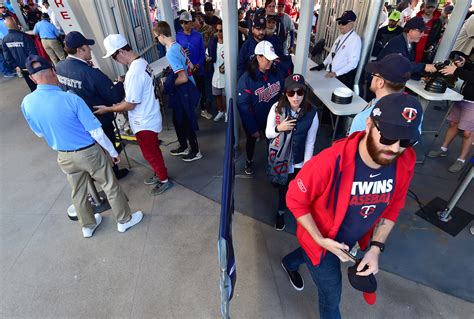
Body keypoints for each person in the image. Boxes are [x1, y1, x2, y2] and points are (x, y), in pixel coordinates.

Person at [281, 93, 422, 318]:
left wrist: (376, 247)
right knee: (331, 296)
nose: (395, 148)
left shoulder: (405, 161)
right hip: (321, 239)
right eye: (387, 137)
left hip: (349, 240)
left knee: (306, 255)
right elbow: (295, 200)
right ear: (369, 124)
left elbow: (394, 206)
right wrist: (319, 239)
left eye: (406, 141)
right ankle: (299, 256)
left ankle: (289, 261)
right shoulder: (328, 162)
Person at [21, 55, 143, 238]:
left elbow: (39, 133)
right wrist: (112, 151)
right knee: (110, 185)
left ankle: (87, 226)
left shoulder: (27, 103)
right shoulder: (71, 99)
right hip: (88, 153)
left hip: (63, 155)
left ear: (31, 78)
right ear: (53, 71)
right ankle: (124, 221)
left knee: (78, 191)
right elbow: (96, 132)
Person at [94, 34, 173, 195]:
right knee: (152, 151)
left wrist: (108, 109)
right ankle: (160, 173)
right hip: (149, 115)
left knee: (150, 153)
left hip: (143, 121)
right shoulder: (141, 63)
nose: (116, 60)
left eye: (115, 56)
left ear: (121, 51)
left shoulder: (134, 72)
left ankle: (164, 179)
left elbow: (130, 104)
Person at [55, 31, 129, 180]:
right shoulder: (90, 73)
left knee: (92, 147)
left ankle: (95, 174)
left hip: (78, 121)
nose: (90, 49)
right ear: (79, 50)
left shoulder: (60, 66)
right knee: (107, 145)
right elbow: (114, 96)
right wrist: (121, 82)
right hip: (99, 118)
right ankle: (112, 173)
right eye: (87, 47)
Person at [265, 74, 318, 231]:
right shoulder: (276, 108)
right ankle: (282, 207)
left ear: (305, 93)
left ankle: (282, 212)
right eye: (291, 93)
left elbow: (310, 142)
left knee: (292, 188)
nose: (296, 97)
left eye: (300, 92)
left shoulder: (312, 113)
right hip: (279, 158)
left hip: (298, 161)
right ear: (285, 93)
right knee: (280, 185)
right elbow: (268, 133)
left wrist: (306, 167)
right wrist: (278, 128)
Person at [154, 21, 203, 162]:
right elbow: (191, 66)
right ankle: (184, 146)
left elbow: (183, 78)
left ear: (162, 35)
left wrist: (167, 84)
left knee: (186, 121)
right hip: (186, 88)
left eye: (156, 37)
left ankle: (195, 150)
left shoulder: (170, 52)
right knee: (178, 120)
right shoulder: (177, 46)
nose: (157, 40)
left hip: (184, 90)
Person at [237, 40, 284, 175]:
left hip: (272, 118)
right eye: (267, 59)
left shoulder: (275, 72)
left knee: (273, 141)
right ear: (258, 57)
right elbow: (244, 107)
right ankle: (249, 161)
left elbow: (282, 90)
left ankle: (272, 163)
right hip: (255, 119)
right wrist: (253, 128)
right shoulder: (246, 79)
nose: (270, 62)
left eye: (272, 59)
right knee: (251, 141)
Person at [428, 53, 473, 173]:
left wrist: (456, 70)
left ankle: (461, 160)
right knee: (453, 123)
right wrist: (465, 64)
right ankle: (443, 148)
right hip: (462, 97)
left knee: (468, 132)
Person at [350, 54, 411, 135]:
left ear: (380, 83)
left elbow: (351, 146)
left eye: (374, 74)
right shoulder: (413, 114)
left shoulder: (363, 119)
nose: (372, 77)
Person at [177, 11, 211, 120]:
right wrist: (182, 54)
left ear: (191, 22)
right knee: (188, 91)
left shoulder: (198, 35)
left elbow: (202, 52)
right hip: (186, 70)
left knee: (202, 89)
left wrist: (198, 65)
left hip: (198, 68)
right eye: (182, 22)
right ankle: (190, 111)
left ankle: (203, 109)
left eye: (186, 22)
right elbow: (176, 53)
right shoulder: (178, 36)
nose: (184, 25)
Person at [322, 10, 361, 89]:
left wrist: (336, 73)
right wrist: (323, 64)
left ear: (351, 24)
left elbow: (353, 64)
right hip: (333, 74)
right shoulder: (340, 37)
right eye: (339, 22)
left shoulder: (355, 39)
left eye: (343, 23)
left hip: (343, 78)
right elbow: (332, 53)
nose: (340, 25)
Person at [2, 17, 38, 91]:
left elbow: (7, 56)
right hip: (32, 66)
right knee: (40, 84)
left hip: (21, 68)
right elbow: (32, 52)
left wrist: (15, 66)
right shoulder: (24, 36)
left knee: (32, 86)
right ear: (16, 24)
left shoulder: (5, 39)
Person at [208, 20, 226, 122]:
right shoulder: (213, 41)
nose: (219, 33)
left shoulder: (228, 44)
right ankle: (220, 111)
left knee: (225, 95)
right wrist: (208, 58)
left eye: (221, 30)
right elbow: (208, 52)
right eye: (217, 30)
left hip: (226, 74)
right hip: (215, 72)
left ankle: (227, 112)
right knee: (217, 94)